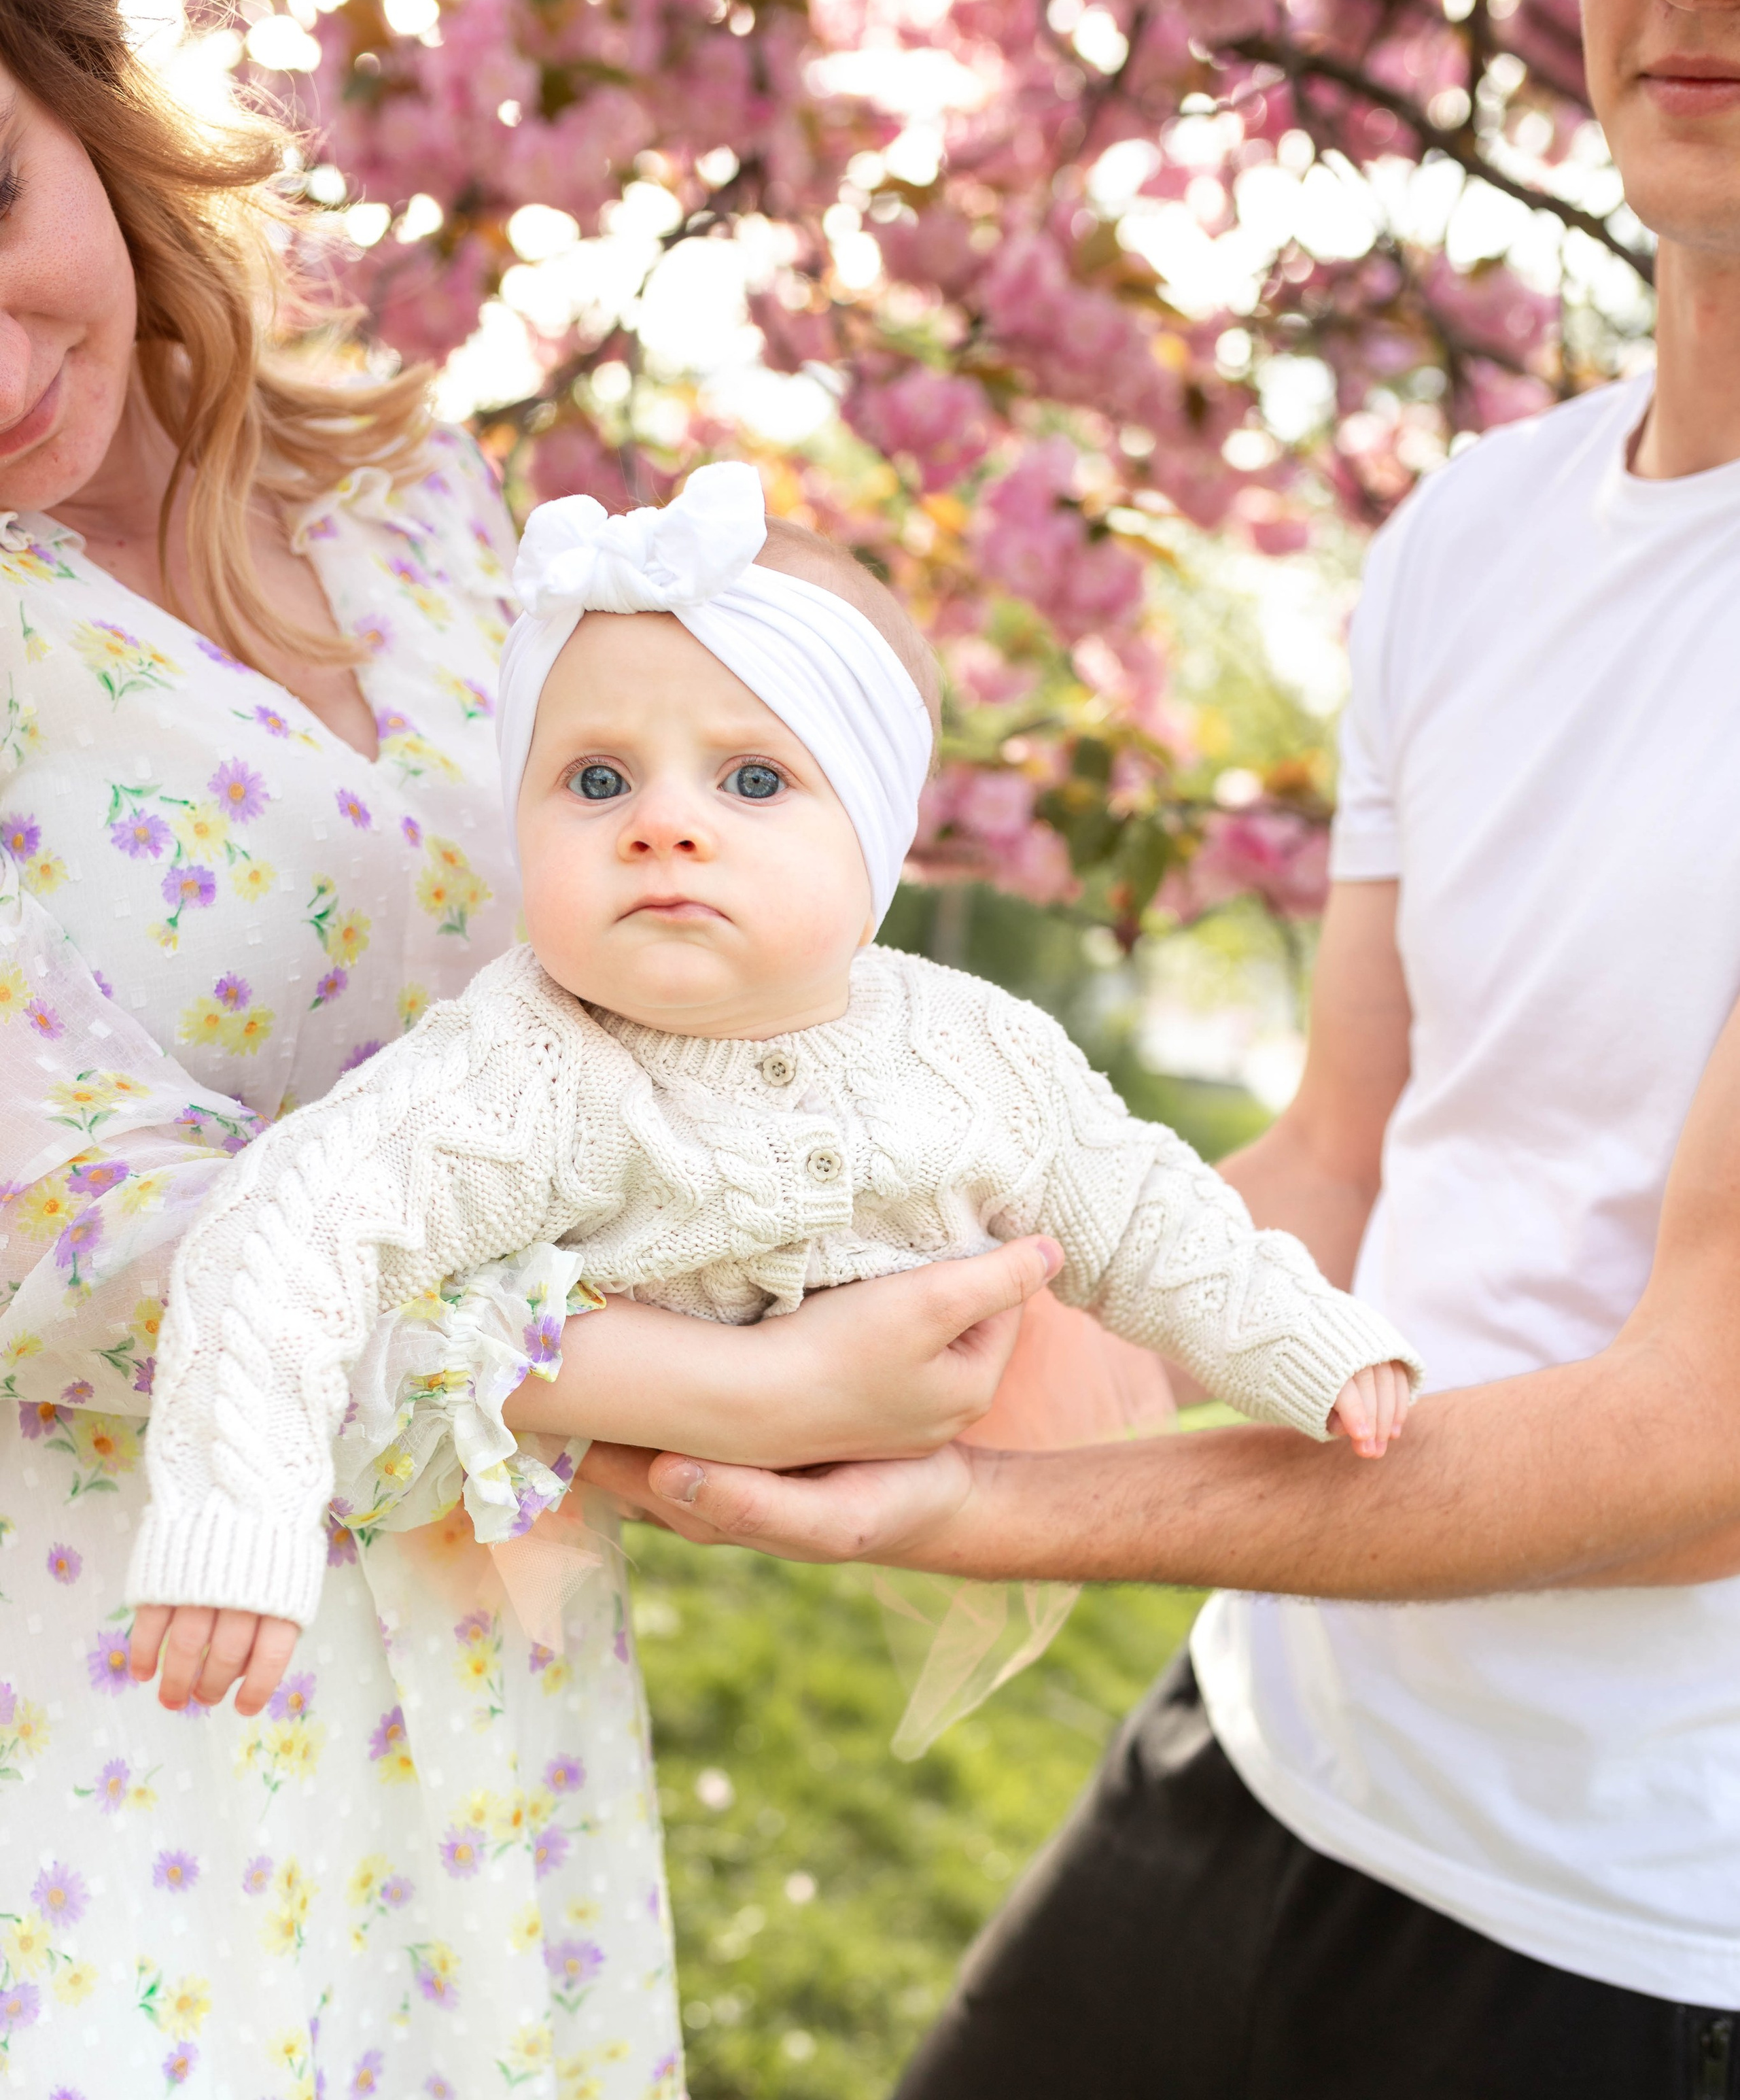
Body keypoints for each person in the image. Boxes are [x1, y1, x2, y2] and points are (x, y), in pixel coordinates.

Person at [563, 0, 1740, 2100]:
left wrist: (979, 1528)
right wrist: (993, 1355)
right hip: (1266, 1762)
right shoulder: (1477, 529)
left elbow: (1694, 1458)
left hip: (1626, 1939)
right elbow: (1343, 1133)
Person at [0, 0, 1068, 2100]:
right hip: (133, 1702)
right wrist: (711, 1375)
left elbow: (637, 969)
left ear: (78, 107)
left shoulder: (416, 497)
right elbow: (81, 1244)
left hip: (474, 1665)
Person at [125, 459, 1416, 1719]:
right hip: (529, 1520)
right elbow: (293, 1229)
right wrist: (238, 1517)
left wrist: (1308, 1345)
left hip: (916, 1437)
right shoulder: (523, 1065)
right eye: (595, 780)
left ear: (875, 838)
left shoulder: (976, 1049)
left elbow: (1146, 1213)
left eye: (752, 781)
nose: (662, 824)